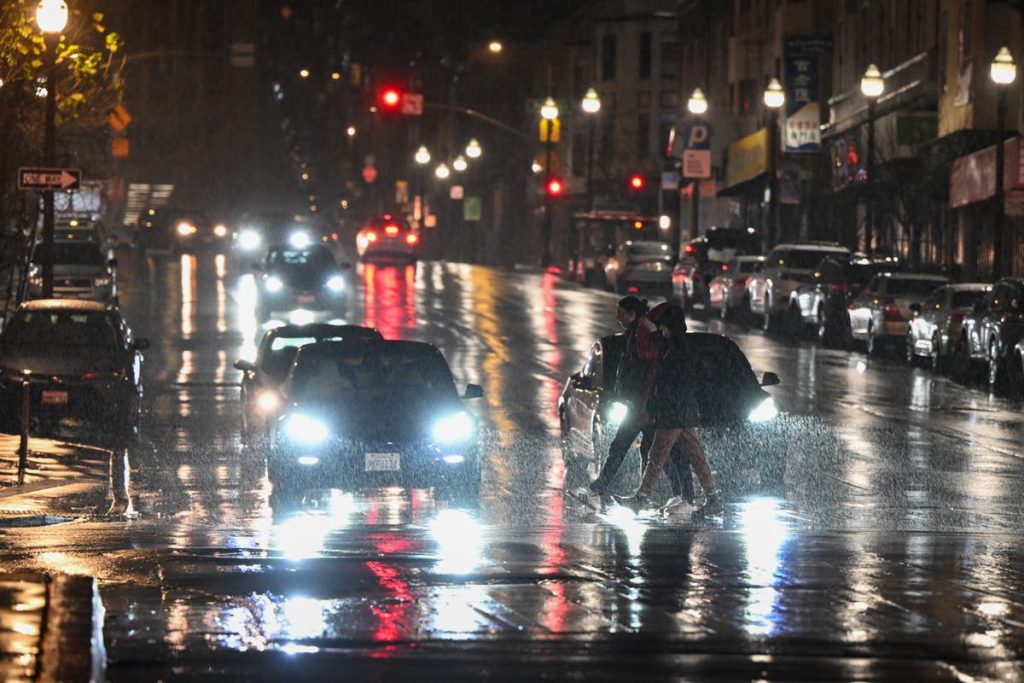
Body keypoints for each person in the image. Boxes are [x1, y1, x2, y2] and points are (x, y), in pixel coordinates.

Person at [616, 303, 722, 518]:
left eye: (662, 325)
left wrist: (655, 408)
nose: (660, 328)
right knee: (696, 456)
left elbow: (669, 382)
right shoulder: (676, 345)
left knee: (657, 455)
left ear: (668, 325)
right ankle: (713, 498)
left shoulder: (676, 348)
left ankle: (641, 497)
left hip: (675, 413)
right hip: (682, 412)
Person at [588, 297, 694, 507]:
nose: (618, 317)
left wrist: (645, 403)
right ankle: (670, 495)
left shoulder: (646, 334)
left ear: (632, 313)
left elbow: (647, 366)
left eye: (621, 313)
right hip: (643, 403)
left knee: (651, 449)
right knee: (654, 451)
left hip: (646, 404)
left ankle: (681, 496)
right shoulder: (638, 333)